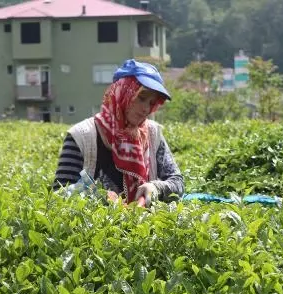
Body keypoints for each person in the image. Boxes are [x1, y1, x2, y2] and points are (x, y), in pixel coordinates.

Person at [52, 59, 184, 206]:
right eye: (141, 98)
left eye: (152, 103)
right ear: (122, 93)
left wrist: (156, 187)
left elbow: (177, 182)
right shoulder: (82, 136)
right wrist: (98, 196)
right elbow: (58, 194)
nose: (146, 109)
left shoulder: (152, 134)